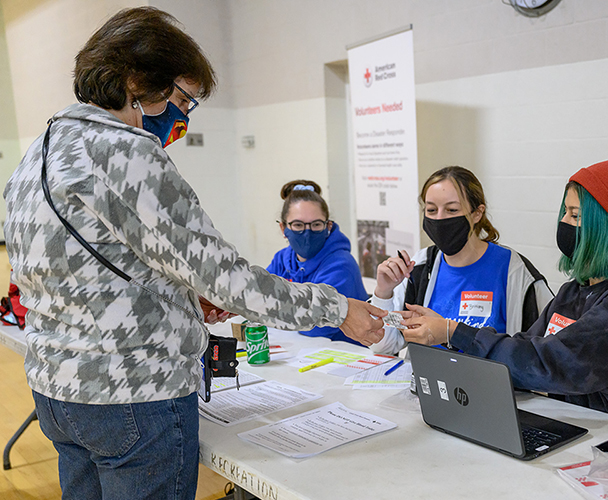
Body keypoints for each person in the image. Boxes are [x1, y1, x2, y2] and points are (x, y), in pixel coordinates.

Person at [2, 8, 384, 500]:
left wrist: (179, 294)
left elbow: (76, 270)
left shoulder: (41, 150)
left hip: (58, 392)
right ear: (138, 79)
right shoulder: (128, 152)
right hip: (132, 396)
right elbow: (227, 277)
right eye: (183, 99)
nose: (182, 117)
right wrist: (338, 308)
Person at [401, 156, 608, 429]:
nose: (564, 222)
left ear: (606, 228)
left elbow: (550, 364)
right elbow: (523, 352)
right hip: (572, 424)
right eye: (564, 212)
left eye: (575, 215)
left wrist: (453, 331)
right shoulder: (574, 292)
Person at [369, 166, 553, 355]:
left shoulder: (514, 270)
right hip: (429, 381)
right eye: (431, 210)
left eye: (452, 210)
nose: (440, 219)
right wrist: (384, 292)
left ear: (477, 213)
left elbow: (545, 355)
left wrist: (449, 332)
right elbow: (383, 346)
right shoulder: (421, 265)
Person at [267, 180, 369, 345]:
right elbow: (260, 301)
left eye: (316, 225)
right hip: (297, 350)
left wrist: (279, 310)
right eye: (298, 225)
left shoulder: (341, 266)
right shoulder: (282, 259)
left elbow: (317, 326)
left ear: (328, 226)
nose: (307, 233)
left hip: (343, 356)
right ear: (283, 228)